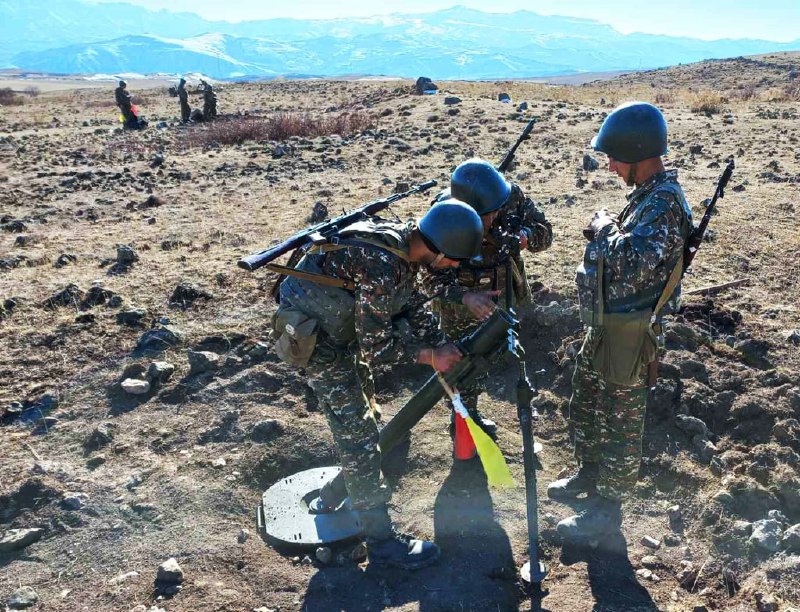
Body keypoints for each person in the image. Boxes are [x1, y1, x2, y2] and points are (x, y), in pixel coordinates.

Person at [272, 200, 484, 570]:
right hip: (321, 344)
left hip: (340, 329)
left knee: (366, 419)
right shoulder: (383, 266)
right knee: (359, 440)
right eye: (453, 260)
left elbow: (411, 305)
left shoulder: (404, 249)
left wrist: (441, 345)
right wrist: (431, 357)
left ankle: (355, 487)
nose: (453, 267)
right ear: (438, 247)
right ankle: (382, 544)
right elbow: (377, 348)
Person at [550, 102, 693, 542]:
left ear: (637, 153)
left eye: (613, 156)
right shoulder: (648, 197)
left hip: (632, 334)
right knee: (588, 400)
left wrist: (604, 227)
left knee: (621, 420)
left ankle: (606, 514)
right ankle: (589, 475)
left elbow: (634, 263)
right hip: (609, 325)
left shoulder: (665, 203)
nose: (608, 164)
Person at [424, 158, 552, 444]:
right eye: (485, 215)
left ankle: (471, 413)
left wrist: (525, 238)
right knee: (460, 362)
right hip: (460, 304)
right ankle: (461, 421)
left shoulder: (510, 197)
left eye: (495, 213)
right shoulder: (443, 214)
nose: (492, 219)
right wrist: (464, 296)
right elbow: (429, 278)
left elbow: (546, 234)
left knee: (489, 356)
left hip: (501, 292)